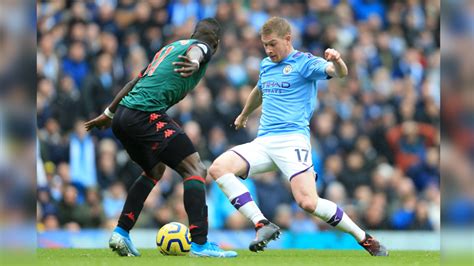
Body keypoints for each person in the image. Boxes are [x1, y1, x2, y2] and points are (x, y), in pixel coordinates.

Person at [208, 17, 388, 256]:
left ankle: (363, 238)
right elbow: (259, 90)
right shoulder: (265, 65)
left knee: (308, 203)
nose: (268, 49)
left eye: (272, 44)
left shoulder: (304, 63)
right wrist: (244, 114)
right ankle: (262, 224)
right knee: (218, 168)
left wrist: (338, 60)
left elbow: (339, 73)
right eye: (265, 45)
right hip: (264, 141)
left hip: (292, 140)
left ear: (287, 39)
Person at [85, 18, 237, 258]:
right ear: (216, 42)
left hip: (123, 116)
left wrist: (109, 113)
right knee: (195, 168)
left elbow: (135, 81)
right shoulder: (202, 47)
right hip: (144, 113)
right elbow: (199, 50)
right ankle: (200, 243)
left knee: (154, 170)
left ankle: (121, 232)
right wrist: (196, 62)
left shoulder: (169, 48)